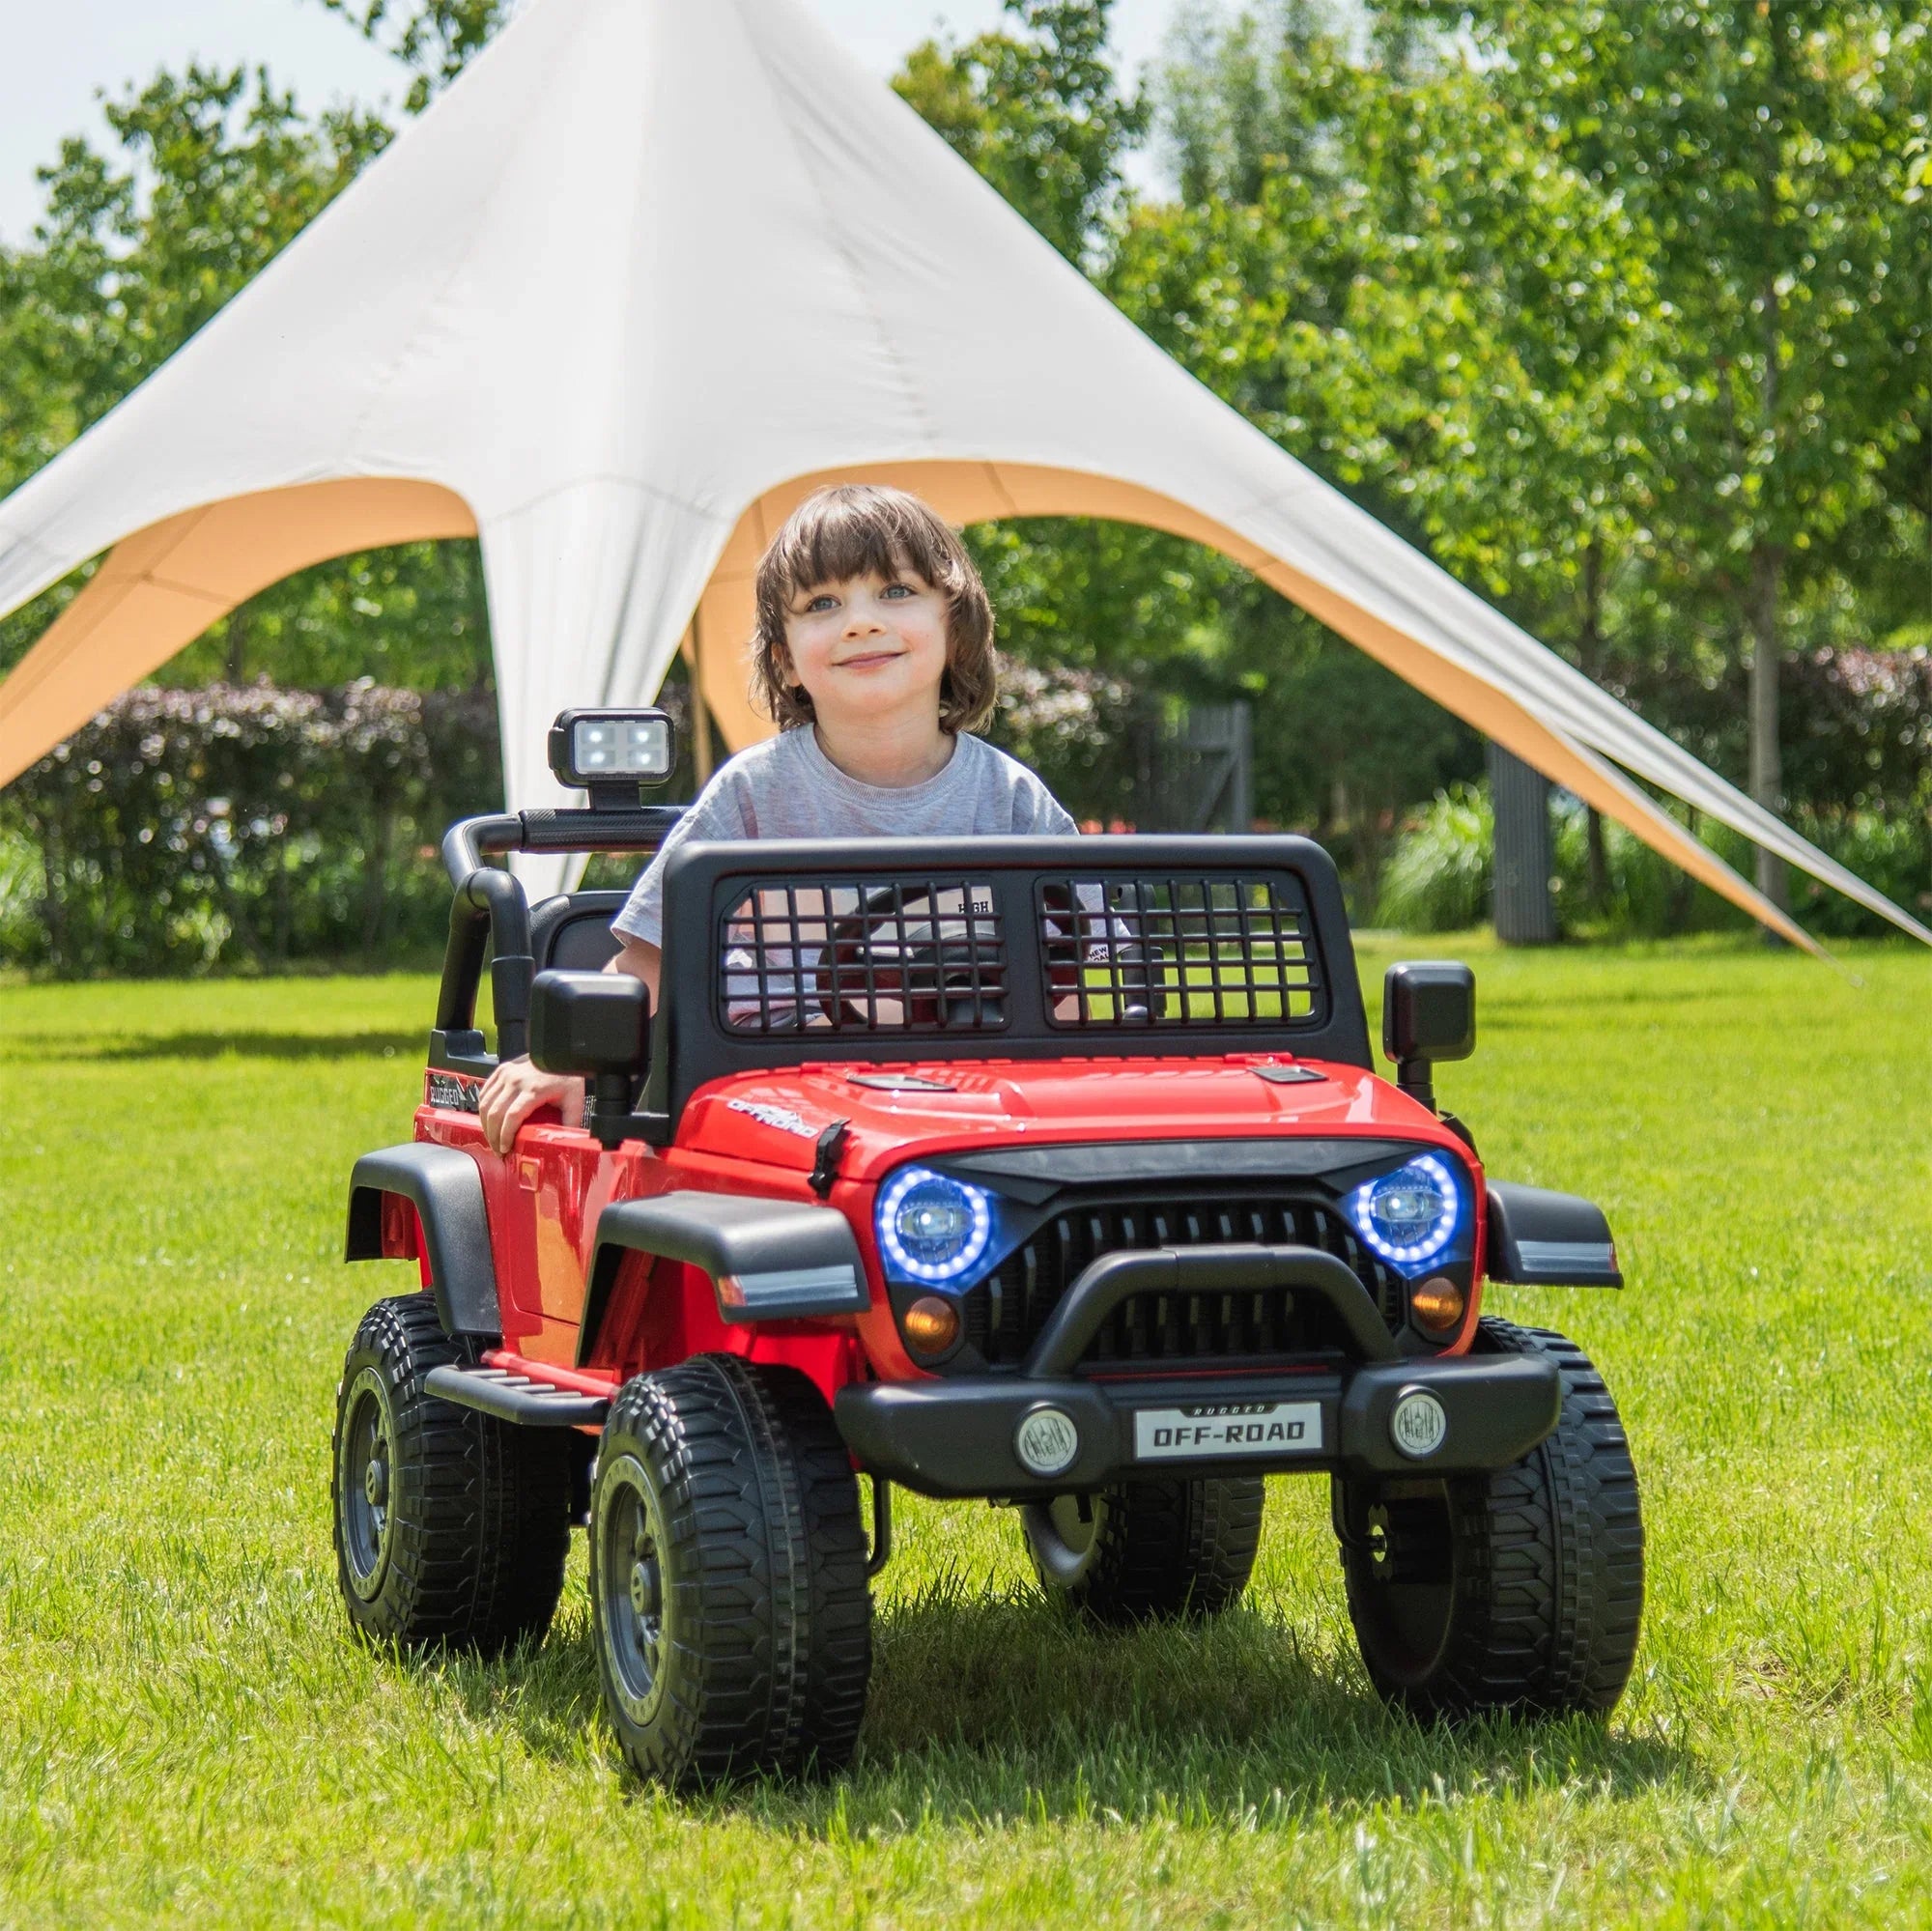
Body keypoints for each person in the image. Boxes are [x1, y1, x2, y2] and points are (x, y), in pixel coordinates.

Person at [477, 482, 1076, 1153]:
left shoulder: (1011, 801)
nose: (861, 621)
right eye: (823, 604)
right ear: (786, 661)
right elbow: (649, 957)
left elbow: (1083, 971)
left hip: (970, 1096)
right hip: (769, 1098)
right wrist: (569, 1059)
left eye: (896, 592)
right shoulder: (754, 794)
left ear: (956, 629)